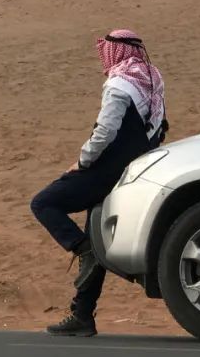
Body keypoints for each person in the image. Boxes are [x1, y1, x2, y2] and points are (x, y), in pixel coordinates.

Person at [30, 29, 168, 337]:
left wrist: (82, 162)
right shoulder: (151, 77)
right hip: (137, 166)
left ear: (113, 52)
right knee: (95, 230)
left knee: (44, 203)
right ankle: (82, 315)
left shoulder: (119, 84)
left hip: (108, 169)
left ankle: (82, 249)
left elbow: (105, 132)